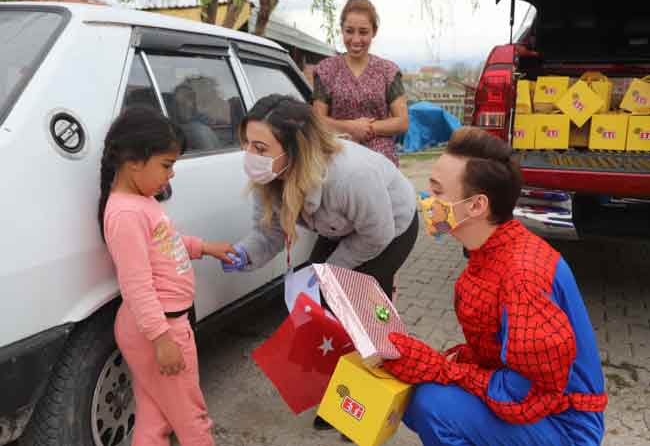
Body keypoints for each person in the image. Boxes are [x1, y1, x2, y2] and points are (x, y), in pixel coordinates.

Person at [381, 127, 608, 446]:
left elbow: (527, 394)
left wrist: (443, 371)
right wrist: (445, 362)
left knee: (431, 403)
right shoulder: (492, 253)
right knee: (414, 385)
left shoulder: (522, 276)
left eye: (437, 191)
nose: (427, 201)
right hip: (540, 406)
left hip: (564, 423)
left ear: (476, 206)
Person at [221, 94, 418, 432]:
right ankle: (339, 395)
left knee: (365, 318)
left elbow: (376, 235)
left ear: (295, 147)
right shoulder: (271, 174)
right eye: (247, 145)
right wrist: (245, 253)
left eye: (260, 147)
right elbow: (269, 232)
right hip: (340, 226)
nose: (250, 157)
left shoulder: (349, 177)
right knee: (319, 306)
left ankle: (369, 410)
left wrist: (329, 272)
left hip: (389, 230)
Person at [98, 107, 235, 446]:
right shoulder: (126, 213)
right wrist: (162, 340)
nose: (171, 174)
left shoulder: (139, 202)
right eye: (167, 164)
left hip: (152, 326)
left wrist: (203, 247)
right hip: (160, 329)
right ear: (133, 160)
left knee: (154, 417)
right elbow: (136, 285)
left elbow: (164, 245)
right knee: (192, 419)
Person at [312, 0, 408, 168]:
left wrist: (369, 128)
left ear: (374, 32)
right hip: (337, 160)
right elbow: (317, 120)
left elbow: (402, 122)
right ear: (341, 30)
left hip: (380, 163)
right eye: (349, 31)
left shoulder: (388, 71)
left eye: (363, 32)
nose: (356, 40)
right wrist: (350, 127)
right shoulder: (326, 70)